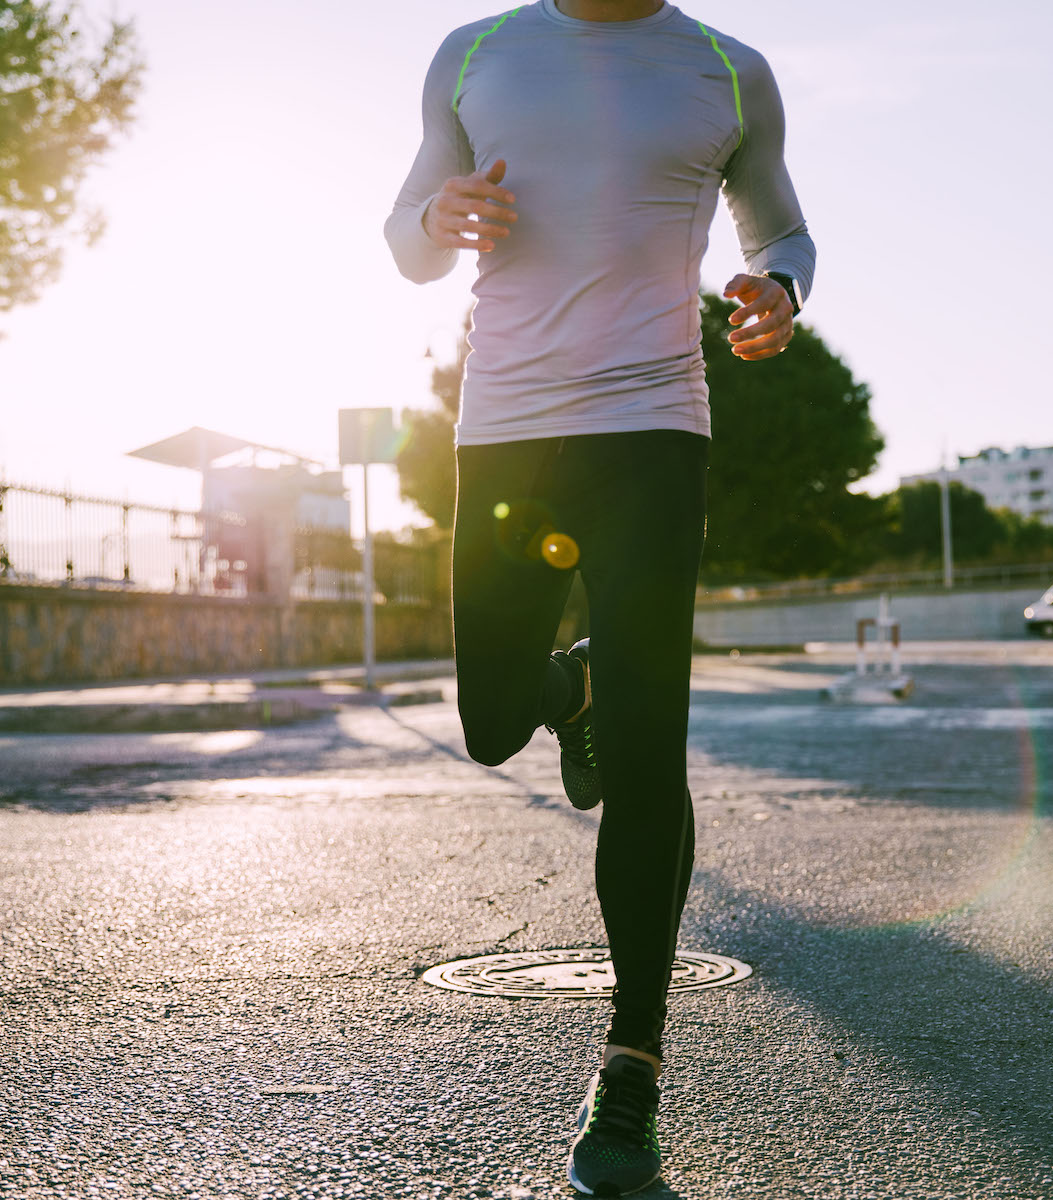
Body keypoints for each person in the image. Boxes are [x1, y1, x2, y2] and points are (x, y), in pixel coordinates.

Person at [384, 0, 813, 1192]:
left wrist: (777, 289)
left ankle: (629, 1075)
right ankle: (570, 688)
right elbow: (408, 241)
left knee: (650, 748)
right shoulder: (475, 54)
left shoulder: (728, 71)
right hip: (508, 432)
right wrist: (439, 213)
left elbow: (781, 227)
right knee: (483, 726)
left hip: (653, 431)